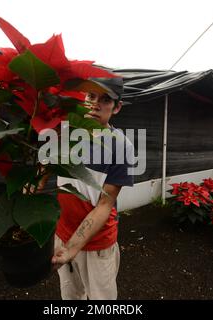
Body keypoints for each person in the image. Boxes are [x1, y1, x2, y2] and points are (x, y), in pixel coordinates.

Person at [51, 76, 134, 300]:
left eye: (105, 99)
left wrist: (73, 247)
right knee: (70, 297)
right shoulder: (66, 132)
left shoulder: (120, 145)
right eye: (91, 96)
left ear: (117, 107)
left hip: (97, 244)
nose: (95, 104)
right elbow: (45, 167)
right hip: (62, 233)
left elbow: (105, 205)